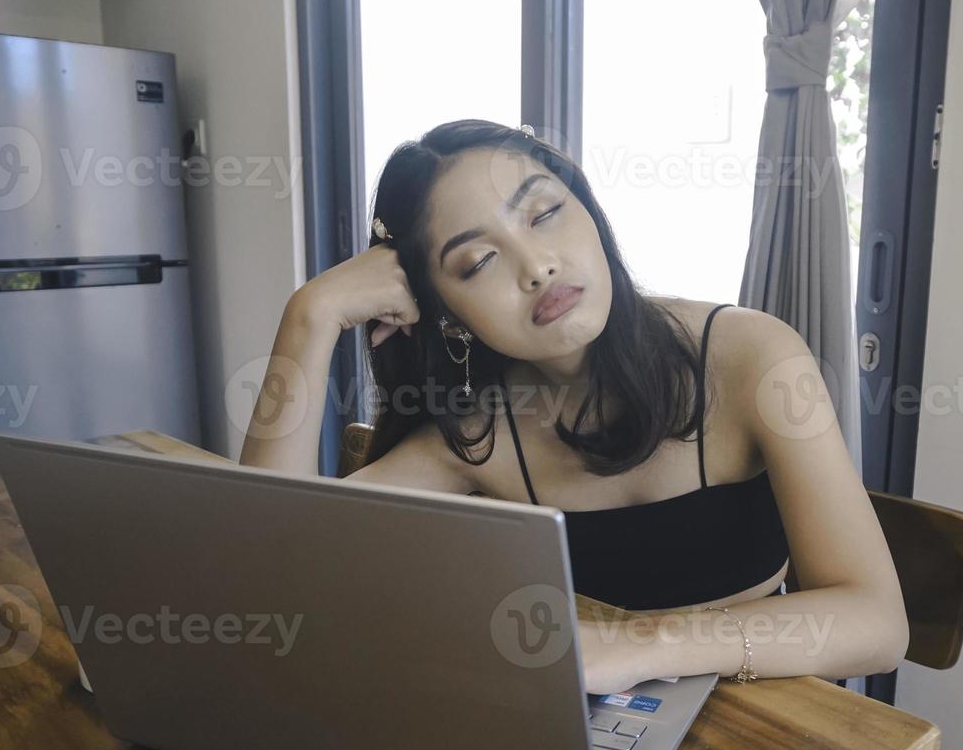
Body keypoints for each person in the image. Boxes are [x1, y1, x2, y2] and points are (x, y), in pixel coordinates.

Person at [239, 118, 907, 697]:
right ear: (446, 315)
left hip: (761, 733)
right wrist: (309, 318)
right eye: (477, 263)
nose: (536, 266)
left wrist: (645, 647)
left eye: (545, 213)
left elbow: (877, 623)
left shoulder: (752, 357)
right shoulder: (476, 430)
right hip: (584, 738)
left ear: (588, 207)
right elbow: (272, 571)